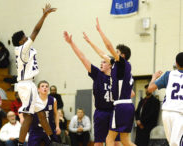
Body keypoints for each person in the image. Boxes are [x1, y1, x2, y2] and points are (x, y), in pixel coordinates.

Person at [83, 18, 135, 146]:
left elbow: (108, 47)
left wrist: (100, 31)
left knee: (109, 140)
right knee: (125, 141)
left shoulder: (122, 64)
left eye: (116, 53)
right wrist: (90, 42)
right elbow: (102, 53)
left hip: (120, 106)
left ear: (122, 56)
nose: (113, 54)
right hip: (128, 106)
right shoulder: (122, 67)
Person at [64, 31, 122, 146]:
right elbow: (82, 58)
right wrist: (71, 43)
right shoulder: (97, 74)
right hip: (101, 112)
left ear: (110, 65)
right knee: (98, 142)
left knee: (116, 142)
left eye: (104, 62)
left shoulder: (117, 78)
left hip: (114, 112)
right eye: (100, 62)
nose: (101, 64)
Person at [11, 4, 56, 146]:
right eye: (24, 37)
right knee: (29, 116)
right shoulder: (21, 49)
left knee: (41, 114)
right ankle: (20, 143)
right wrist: (44, 16)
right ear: (20, 42)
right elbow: (36, 31)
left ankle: (53, 140)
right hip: (26, 84)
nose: (27, 38)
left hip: (30, 84)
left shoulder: (26, 48)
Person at [147, 52, 183, 146]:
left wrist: (154, 78)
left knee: (172, 142)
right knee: (176, 142)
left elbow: (150, 89)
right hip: (180, 113)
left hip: (166, 113)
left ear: (176, 63)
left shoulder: (169, 74)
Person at [27, 80, 61, 146]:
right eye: (42, 86)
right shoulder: (33, 100)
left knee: (54, 144)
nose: (45, 88)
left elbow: (56, 114)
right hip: (36, 129)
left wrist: (57, 126)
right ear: (38, 89)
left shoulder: (53, 100)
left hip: (49, 129)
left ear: (48, 89)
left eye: (46, 86)